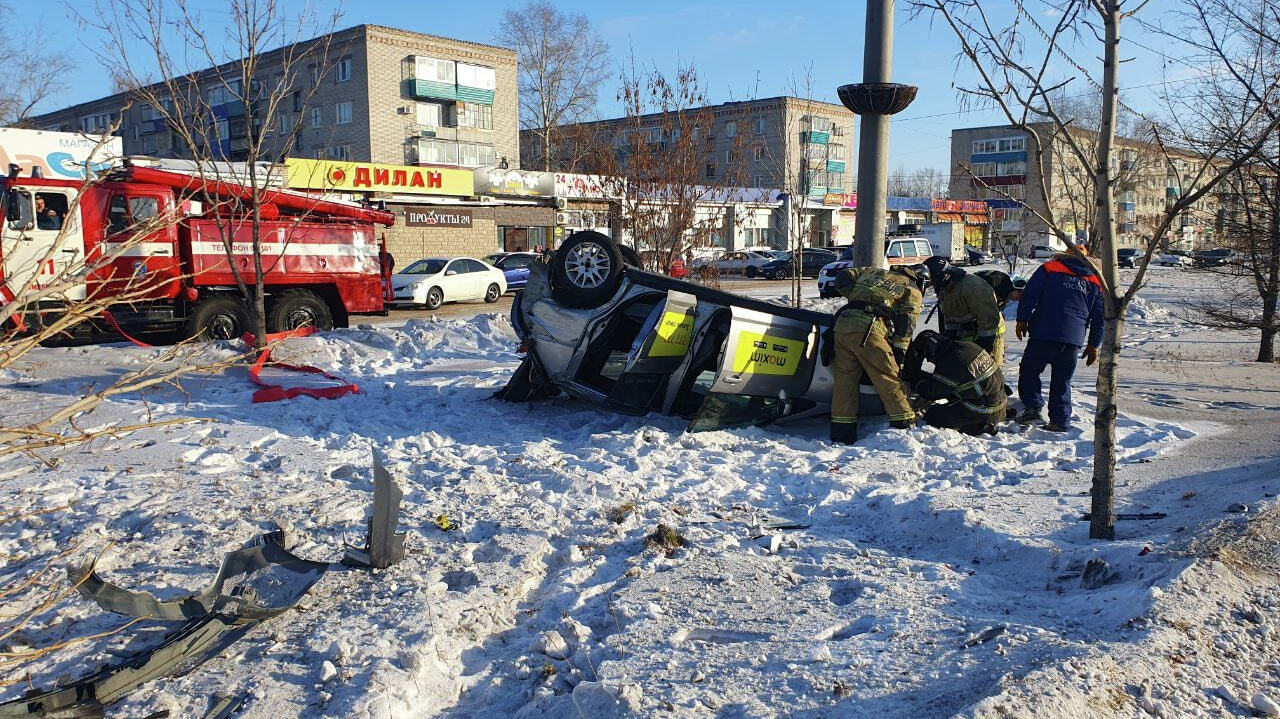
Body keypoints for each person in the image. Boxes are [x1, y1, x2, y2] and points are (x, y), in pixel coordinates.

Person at [829, 264, 924, 444]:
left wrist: (858, 297)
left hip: (842, 326)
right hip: (869, 329)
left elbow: (843, 277)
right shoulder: (911, 289)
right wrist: (899, 354)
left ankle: (842, 432)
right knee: (887, 376)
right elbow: (906, 326)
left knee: (844, 382)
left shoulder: (872, 271)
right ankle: (904, 423)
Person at [1014, 246, 1104, 432]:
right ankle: (1060, 421)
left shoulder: (1050, 268)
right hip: (1072, 339)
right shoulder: (1095, 279)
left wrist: (1022, 320)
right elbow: (1100, 316)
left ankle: (1033, 407)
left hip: (1043, 333)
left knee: (1029, 371)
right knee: (1062, 381)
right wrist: (1094, 344)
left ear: (1065, 254)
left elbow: (1030, 294)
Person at [901, 329, 1007, 435]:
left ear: (931, 349)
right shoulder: (965, 346)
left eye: (927, 357)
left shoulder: (950, 361)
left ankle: (976, 427)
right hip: (1000, 404)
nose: (929, 361)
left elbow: (932, 392)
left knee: (933, 416)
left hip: (984, 411)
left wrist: (915, 380)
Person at [923, 256, 1006, 366]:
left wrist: (985, 343)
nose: (933, 285)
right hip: (967, 335)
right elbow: (949, 313)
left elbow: (988, 318)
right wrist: (949, 337)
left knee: (988, 375)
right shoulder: (946, 288)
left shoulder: (973, 286)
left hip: (988, 335)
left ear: (943, 276)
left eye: (933, 281)